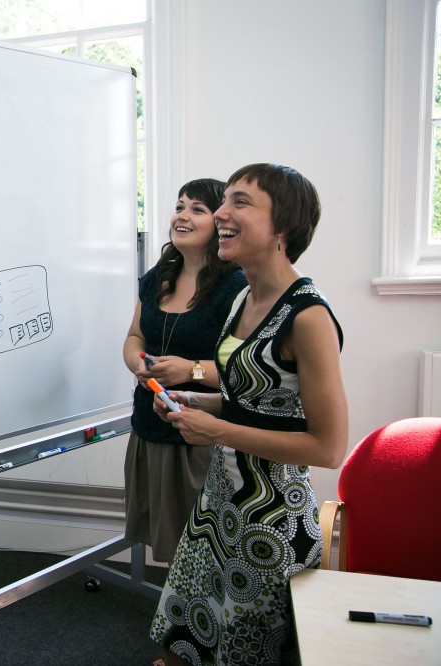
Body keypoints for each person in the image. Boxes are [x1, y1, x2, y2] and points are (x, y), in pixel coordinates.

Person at [149, 164, 348, 666]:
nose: (220, 213)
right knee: (183, 642)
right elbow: (254, 405)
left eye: (240, 202)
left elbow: (328, 447)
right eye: (225, 203)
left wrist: (216, 429)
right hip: (218, 506)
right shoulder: (243, 296)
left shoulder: (309, 317)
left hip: (269, 523)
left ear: (283, 227)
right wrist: (198, 403)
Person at [122, 179, 247, 564]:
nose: (182, 216)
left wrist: (189, 370)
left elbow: (244, 368)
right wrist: (140, 366)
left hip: (200, 433)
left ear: (219, 223)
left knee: (206, 547)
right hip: (150, 424)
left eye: (197, 209)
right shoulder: (156, 278)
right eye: (179, 207)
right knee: (170, 547)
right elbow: (134, 337)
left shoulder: (237, 286)